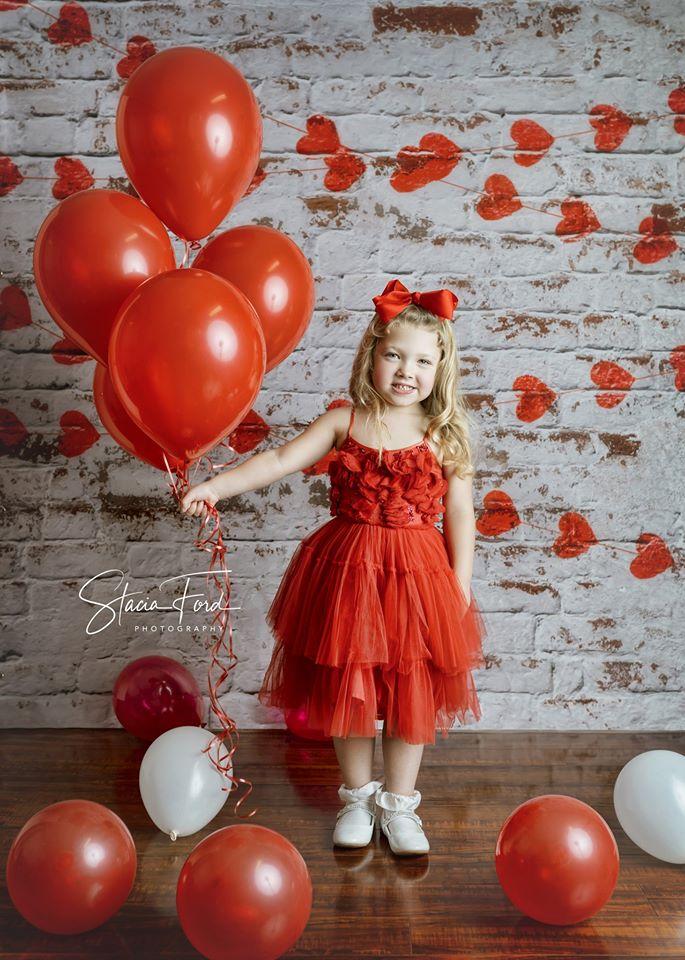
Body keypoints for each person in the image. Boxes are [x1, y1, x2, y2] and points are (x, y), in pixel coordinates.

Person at [180, 278, 488, 856]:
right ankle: (355, 797)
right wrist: (216, 488)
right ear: (371, 355)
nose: (406, 371)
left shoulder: (445, 435)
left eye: (422, 360)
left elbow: (462, 515)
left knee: (408, 693)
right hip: (348, 571)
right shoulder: (345, 421)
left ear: (441, 367)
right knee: (351, 690)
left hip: (418, 578)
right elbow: (277, 459)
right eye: (394, 354)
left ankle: (400, 809)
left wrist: (460, 582)